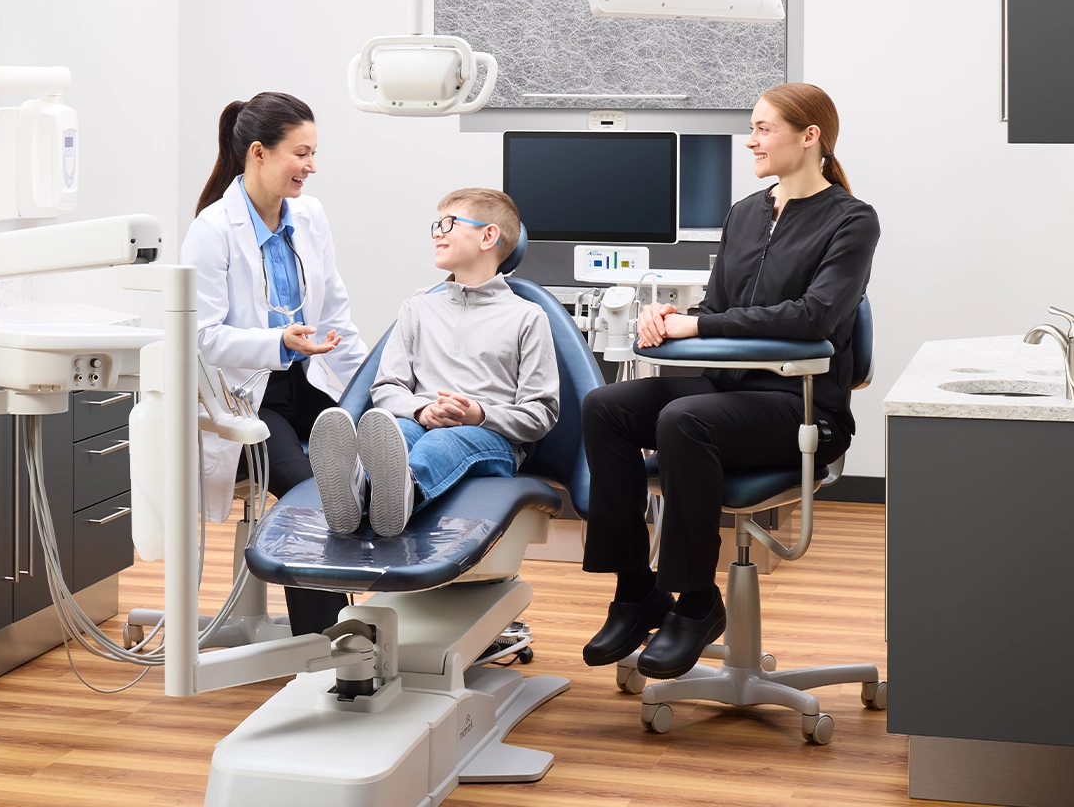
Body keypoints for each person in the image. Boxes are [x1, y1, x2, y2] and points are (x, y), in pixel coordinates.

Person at [580, 83, 880, 681]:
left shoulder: (852, 220)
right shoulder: (744, 213)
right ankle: (636, 592)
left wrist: (699, 323)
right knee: (604, 406)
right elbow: (716, 308)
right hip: (726, 390)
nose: (752, 141)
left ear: (810, 136)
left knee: (682, 419)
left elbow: (813, 317)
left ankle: (696, 603)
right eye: (752, 128)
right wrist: (667, 318)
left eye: (764, 129)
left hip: (798, 407)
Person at [182, 90, 367, 635]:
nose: (311, 166)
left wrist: (372, 389)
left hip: (305, 383)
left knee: (382, 469)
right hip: (245, 397)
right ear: (259, 153)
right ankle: (323, 644)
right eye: (300, 153)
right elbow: (203, 338)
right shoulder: (213, 230)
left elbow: (335, 317)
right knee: (313, 495)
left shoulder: (309, 216)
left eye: (313, 154)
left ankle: (368, 620)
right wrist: (278, 341)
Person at [307, 188, 560, 538]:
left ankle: (403, 493)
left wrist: (479, 414)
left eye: (449, 223)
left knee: (440, 444)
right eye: (436, 225)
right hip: (420, 422)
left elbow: (540, 413)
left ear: (488, 236)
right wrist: (423, 410)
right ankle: (360, 490)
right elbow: (387, 388)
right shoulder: (418, 308)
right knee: (400, 433)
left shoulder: (528, 318)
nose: (437, 233)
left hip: (490, 440)